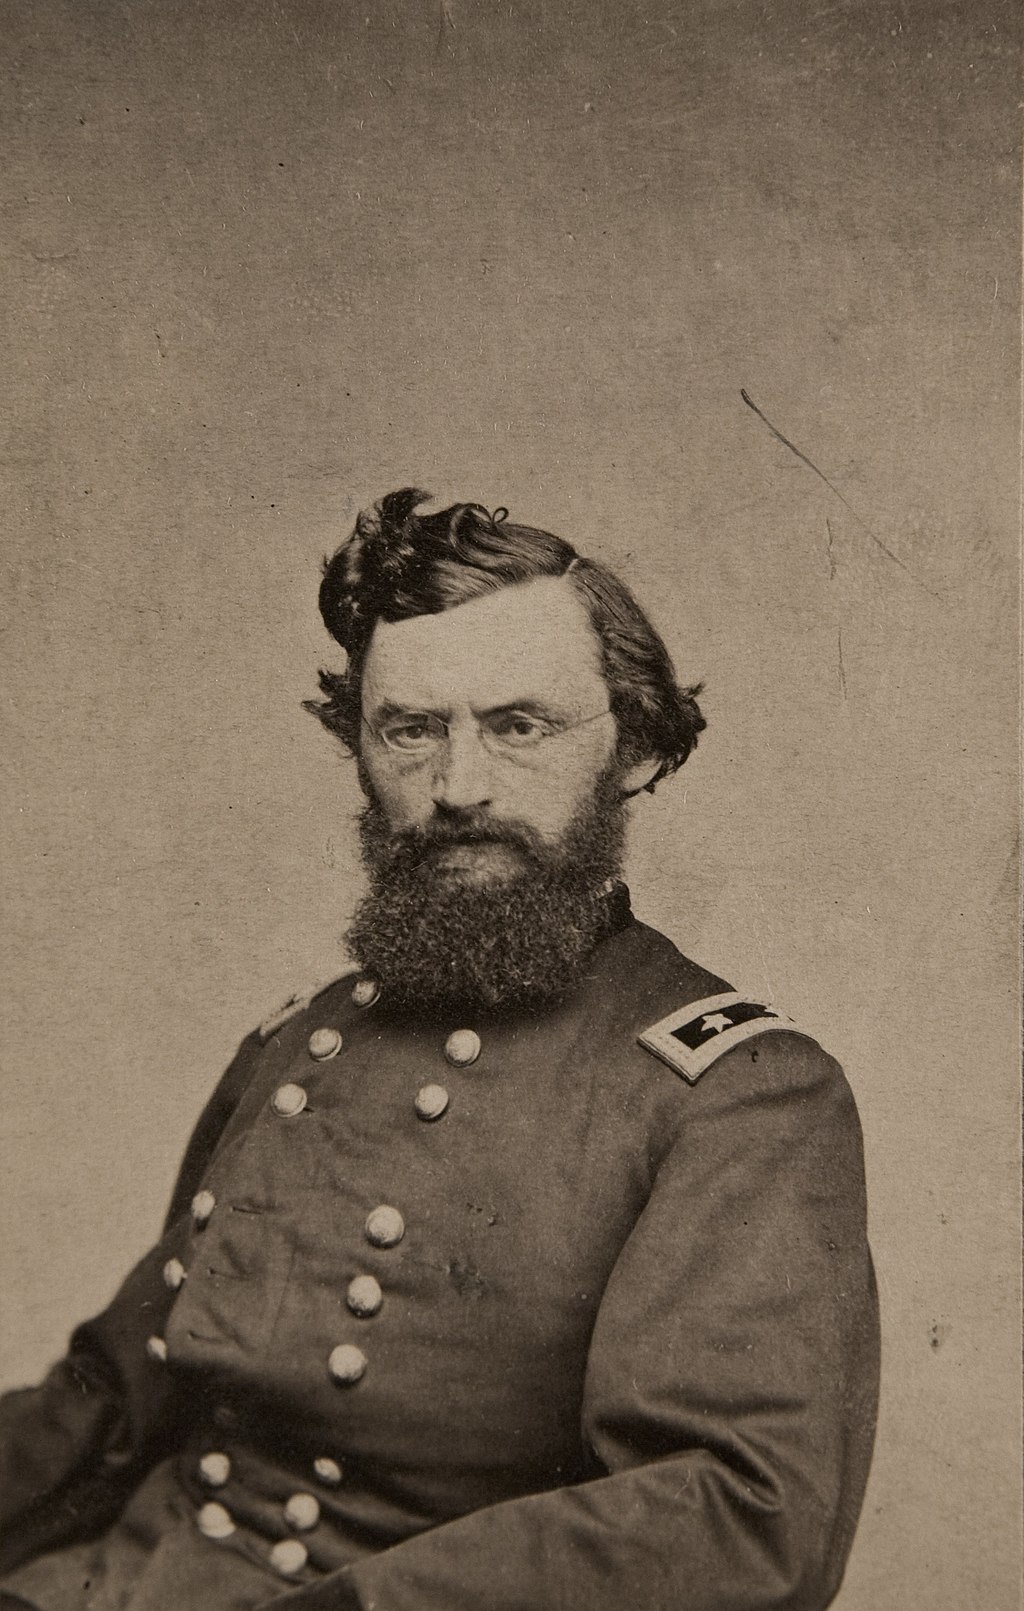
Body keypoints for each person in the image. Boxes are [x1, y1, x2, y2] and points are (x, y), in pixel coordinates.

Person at [0, 489, 879, 1611]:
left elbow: (736, 1514)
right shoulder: (296, 1038)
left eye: (520, 727)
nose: (458, 788)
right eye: (410, 730)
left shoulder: (742, 1097)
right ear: (358, 748)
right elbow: (111, 1405)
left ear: (638, 750)